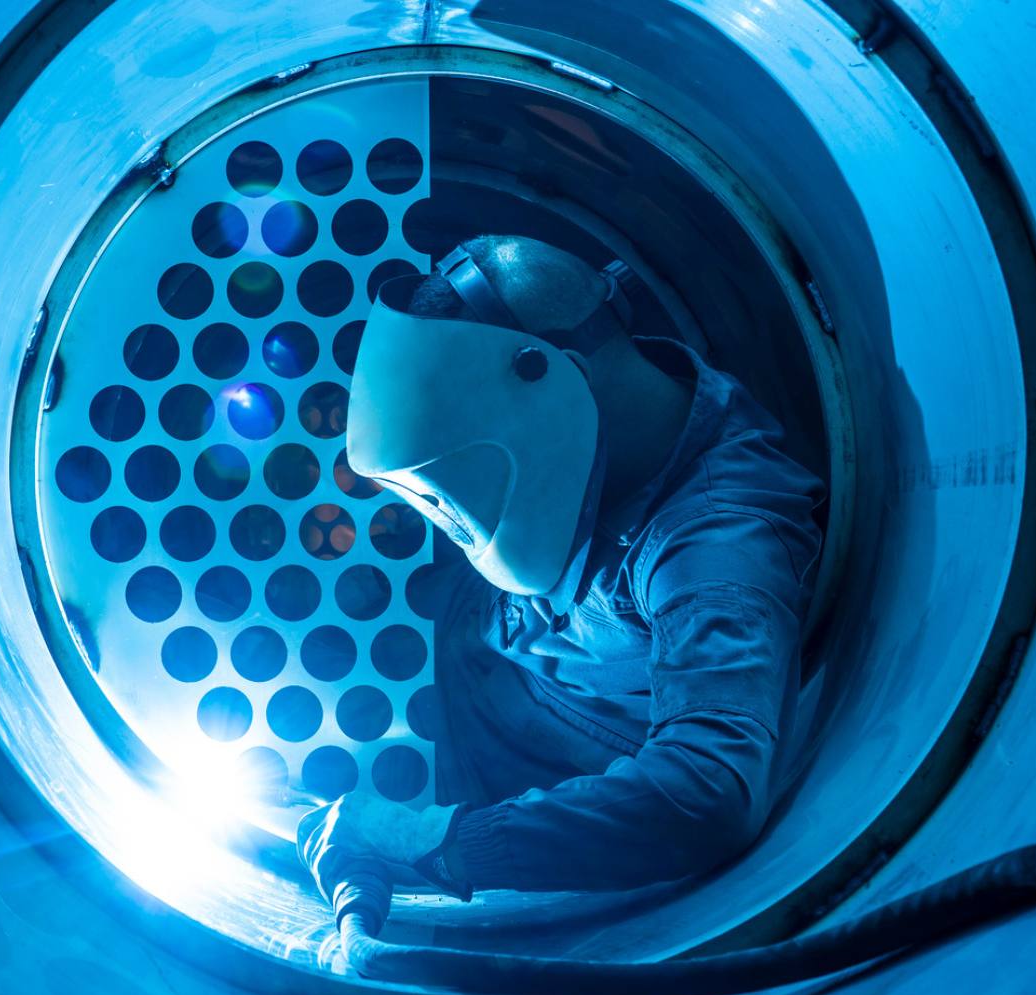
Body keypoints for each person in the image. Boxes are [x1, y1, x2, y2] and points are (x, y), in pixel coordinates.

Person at [298, 235, 825, 908]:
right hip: (462, 666)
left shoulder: (718, 551)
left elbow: (709, 790)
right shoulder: (599, 443)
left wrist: (436, 842)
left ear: (555, 384)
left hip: (504, 775)